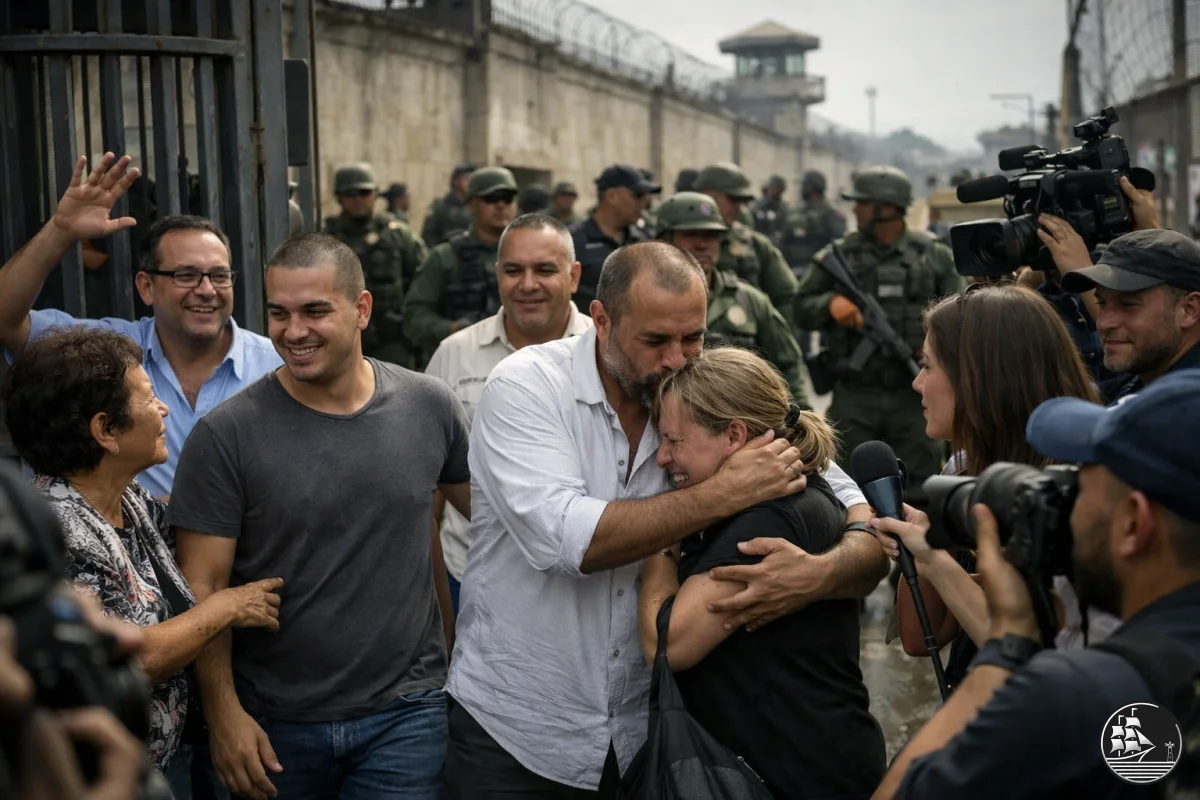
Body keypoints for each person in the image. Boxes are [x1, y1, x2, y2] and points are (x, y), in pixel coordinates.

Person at [444, 241, 887, 798]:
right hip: (522, 735)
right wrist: (723, 493)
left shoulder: (702, 389)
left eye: (694, 337)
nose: (678, 359)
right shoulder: (528, 388)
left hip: (653, 736)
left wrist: (819, 575)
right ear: (601, 321)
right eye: (655, 341)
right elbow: (567, 541)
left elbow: (844, 498)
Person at [171, 233, 467, 800]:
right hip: (273, 729)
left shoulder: (428, 405)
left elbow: (496, 524)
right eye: (279, 313)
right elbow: (201, 588)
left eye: (314, 311)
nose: (293, 331)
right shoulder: (226, 435)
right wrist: (224, 715)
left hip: (406, 718)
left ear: (362, 310)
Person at [876, 369, 1200, 799]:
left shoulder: (1075, 697)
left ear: (1133, 524)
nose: (1064, 508)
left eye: (1078, 487)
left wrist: (1008, 644)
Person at [2, 326, 284, 797]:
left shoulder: (125, 499)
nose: (163, 410)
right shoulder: (63, 526)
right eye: (149, 399)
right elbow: (136, 658)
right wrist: (227, 606)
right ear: (105, 430)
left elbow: (184, 518)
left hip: (160, 762)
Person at [639, 346, 886, 799]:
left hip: (795, 775)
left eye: (674, 441)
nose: (661, 459)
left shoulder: (770, 517)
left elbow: (667, 644)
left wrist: (662, 540)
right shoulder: (802, 487)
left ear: (734, 435)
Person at [868, 283, 1108, 691]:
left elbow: (1039, 664)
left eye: (928, 366)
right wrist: (930, 542)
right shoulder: (964, 468)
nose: (917, 384)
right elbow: (920, 637)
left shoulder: (1076, 485)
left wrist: (939, 560)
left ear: (979, 377)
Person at [0, 153, 281, 500]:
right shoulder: (103, 352)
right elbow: (5, 318)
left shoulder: (277, 365)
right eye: (187, 275)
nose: (207, 290)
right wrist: (61, 230)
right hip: (121, 553)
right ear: (146, 287)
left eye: (219, 276)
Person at [425, 213, 591, 612]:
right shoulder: (455, 355)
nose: (528, 284)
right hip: (472, 579)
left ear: (574, 276)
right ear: (497, 274)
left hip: (579, 588)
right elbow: (426, 485)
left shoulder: (604, 353)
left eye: (545, 270)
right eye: (514, 270)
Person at [796, 164, 962, 504]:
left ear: (886, 208)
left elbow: (961, 321)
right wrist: (830, 305)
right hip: (856, 396)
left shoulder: (932, 256)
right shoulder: (838, 255)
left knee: (923, 491)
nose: (855, 209)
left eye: (863, 202)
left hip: (914, 395)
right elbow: (799, 306)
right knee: (843, 492)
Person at [654, 191, 809, 406]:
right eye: (690, 234)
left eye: (710, 236)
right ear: (664, 240)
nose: (702, 245)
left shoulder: (750, 301)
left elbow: (788, 364)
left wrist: (800, 422)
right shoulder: (645, 302)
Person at [1051, 228, 1200, 405]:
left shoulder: (1187, 408)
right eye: (1102, 303)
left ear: (1189, 309)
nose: (1104, 323)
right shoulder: (1143, 379)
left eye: (1128, 305)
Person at [402, 167, 519, 360]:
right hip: (462, 361)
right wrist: (452, 329)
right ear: (471, 205)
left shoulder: (530, 254)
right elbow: (414, 317)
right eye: (491, 198)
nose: (500, 205)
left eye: (507, 198)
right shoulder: (445, 257)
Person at [323, 163, 427, 369]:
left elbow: (422, 281)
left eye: (365, 192)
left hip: (391, 340)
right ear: (339, 197)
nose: (358, 199)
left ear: (376, 195)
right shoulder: (325, 239)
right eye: (350, 193)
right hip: (340, 337)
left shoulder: (397, 235)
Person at [693, 162, 800, 325]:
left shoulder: (755, 245)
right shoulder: (674, 241)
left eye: (742, 201)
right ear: (707, 195)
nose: (739, 208)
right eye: (733, 200)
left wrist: (773, 334)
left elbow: (787, 296)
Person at [568, 164, 657, 314]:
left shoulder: (645, 241)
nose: (643, 203)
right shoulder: (573, 241)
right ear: (612, 196)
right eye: (637, 196)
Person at [781, 170, 846, 279]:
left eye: (804, 185)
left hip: (819, 273)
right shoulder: (795, 212)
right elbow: (784, 242)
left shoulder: (831, 215)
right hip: (792, 271)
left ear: (812, 188)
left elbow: (838, 247)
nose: (801, 189)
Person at [421, 163, 476, 246]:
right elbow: (429, 236)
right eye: (467, 179)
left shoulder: (475, 206)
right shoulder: (440, 207)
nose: (470, 184)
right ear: (456, 182)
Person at [750, 174, 790, 247]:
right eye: (771, 188)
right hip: (759, 243)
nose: (773, 191)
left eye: (776, 189)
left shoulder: (785, 208)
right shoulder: (757, 206)